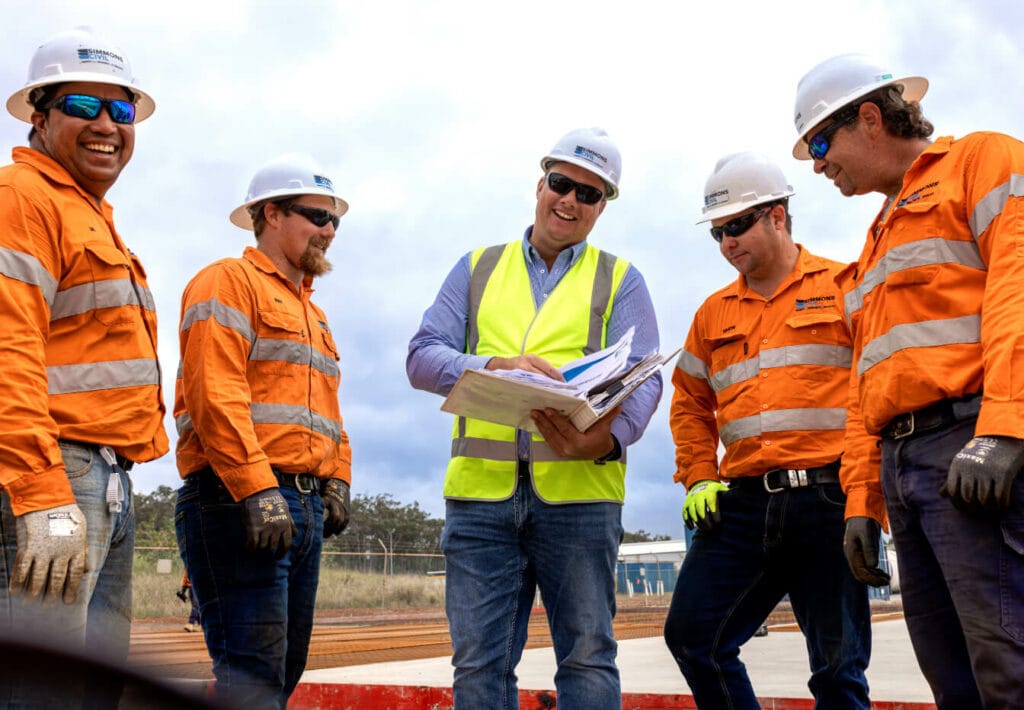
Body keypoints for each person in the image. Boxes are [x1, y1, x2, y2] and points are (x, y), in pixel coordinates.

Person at [791, 53, 1024, 709]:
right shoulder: (874, 243)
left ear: (869, 117)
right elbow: (869, 384)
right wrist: (864, 501)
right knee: (950, 674)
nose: (816, 164)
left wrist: (1006, 427)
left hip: (973, 445)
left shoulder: (981, 162)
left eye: (819, 142)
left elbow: (1018, 294)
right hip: (905, 466)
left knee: (1007, 666)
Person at [407, 127, 662, 710]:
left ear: (603, 208)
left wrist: (605, 439)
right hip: (480, 503)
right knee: (479, 667)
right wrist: (496, 364)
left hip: (581, 499)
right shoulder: (476, 269)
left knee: (587, 656)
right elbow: (422, 356)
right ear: (540, 182)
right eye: (561, 183)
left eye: (589, 194)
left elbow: (646, 378)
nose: (569, 200)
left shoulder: (620, 279)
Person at [662, 151, 872, 708]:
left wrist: (866, 497)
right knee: (692, 636)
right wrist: (700, 477)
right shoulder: (713, 314)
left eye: (737, 226)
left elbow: (877, 392)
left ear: (777, 215)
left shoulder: (844, 287)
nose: (727, 243)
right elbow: (689, 403)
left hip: (829, 499)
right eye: (717, 233)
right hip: (744, 503)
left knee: (838, 668)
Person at [0, 26, 167, 708]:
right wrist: (42, 496)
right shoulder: (23, 198)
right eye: (82, 106)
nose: (106, 125)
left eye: (120, 111)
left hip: (105, 484)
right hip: (55, 477)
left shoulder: (90, 215)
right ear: (40, 115)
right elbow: (6, 348)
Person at [174, 153, 353, 709]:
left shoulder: (313, 315)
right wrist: (255, 488)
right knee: (250, 677)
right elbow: (214, 394)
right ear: (270, 214)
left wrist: (338, 478)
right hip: (237, 501)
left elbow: (326, 409)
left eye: (334, 221)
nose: (328, 231)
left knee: (282, 671)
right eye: (315, 216)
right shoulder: (228, 282)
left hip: (299, 506)